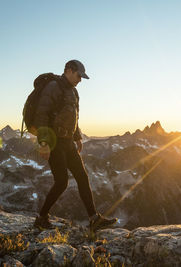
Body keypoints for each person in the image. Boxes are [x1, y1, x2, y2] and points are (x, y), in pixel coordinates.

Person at [32, 59, 117, 231]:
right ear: (69, 71)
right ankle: (41, 217)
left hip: (68, 142)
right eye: (79, 76)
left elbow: (74, 117)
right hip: (55, 142)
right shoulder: (53, 87)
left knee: (82, 177)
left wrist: (77, 137)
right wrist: (43, 143)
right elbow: (42, 115)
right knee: (62, 182)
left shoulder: (73, 92)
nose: (80, 80)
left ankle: (94, 219)